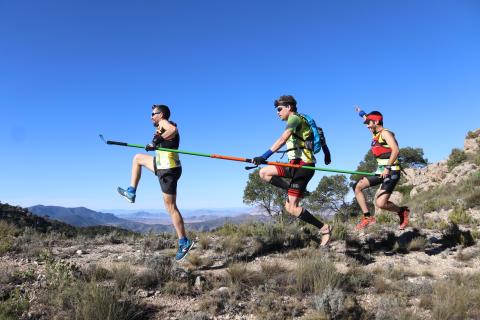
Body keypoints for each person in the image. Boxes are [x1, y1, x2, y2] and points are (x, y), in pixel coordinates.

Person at [252, 95, 333, 246]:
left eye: (279, 109)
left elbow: (282, 139)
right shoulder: (299, 120)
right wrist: (327, 153)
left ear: (289, 107)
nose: (277, 112)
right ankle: (291, 189)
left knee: (292, 208)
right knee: (264, 173)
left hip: (303, 167)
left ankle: (324, 228)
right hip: (293, 166)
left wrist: (263, 156)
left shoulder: (294, 119)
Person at [117, 104, 194, 261]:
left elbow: (173, 130)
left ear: (161, 114)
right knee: (138, 158)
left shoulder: (165, 123)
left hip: (168, 170)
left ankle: (184, 241)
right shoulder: (159, 127)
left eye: (154, 114)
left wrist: (157, 140)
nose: (151, 116)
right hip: (161, 165)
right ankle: (131, 191)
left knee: (171, 208)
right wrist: (154, 143)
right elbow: (162, 139)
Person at [353, 106, 410, 230]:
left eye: (369, 123)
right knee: (357, 187)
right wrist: (360, 112)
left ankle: (402, 211)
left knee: (381, 204)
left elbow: (396, 150)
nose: (367, 125)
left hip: (392, 170)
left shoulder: (385, 133)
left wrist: (388, 168)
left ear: (376, 122)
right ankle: (367, 217)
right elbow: (366, 117)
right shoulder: (375, 133)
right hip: (381, 171)